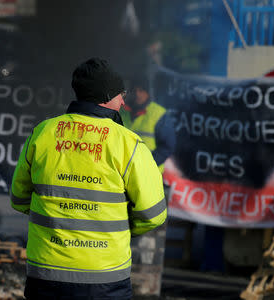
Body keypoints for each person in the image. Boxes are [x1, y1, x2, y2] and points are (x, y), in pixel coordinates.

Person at [10, 57, 166, 299]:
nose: (124, 101)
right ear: (106, 96)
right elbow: (153, 214)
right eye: (120, 94)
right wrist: (120, 231)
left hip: (46, 276)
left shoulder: (43, 133)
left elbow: (19, 199)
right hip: (105, 278)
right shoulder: (128, 143)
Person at [120, 76, 176, 168]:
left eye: (141, 90)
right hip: (125, 171)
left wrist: (147, 164)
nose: (137, 94)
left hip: (150, 173)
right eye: (134, 90)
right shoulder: (121, 112)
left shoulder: (158, 113)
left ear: (148, 93)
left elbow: (167, 146)